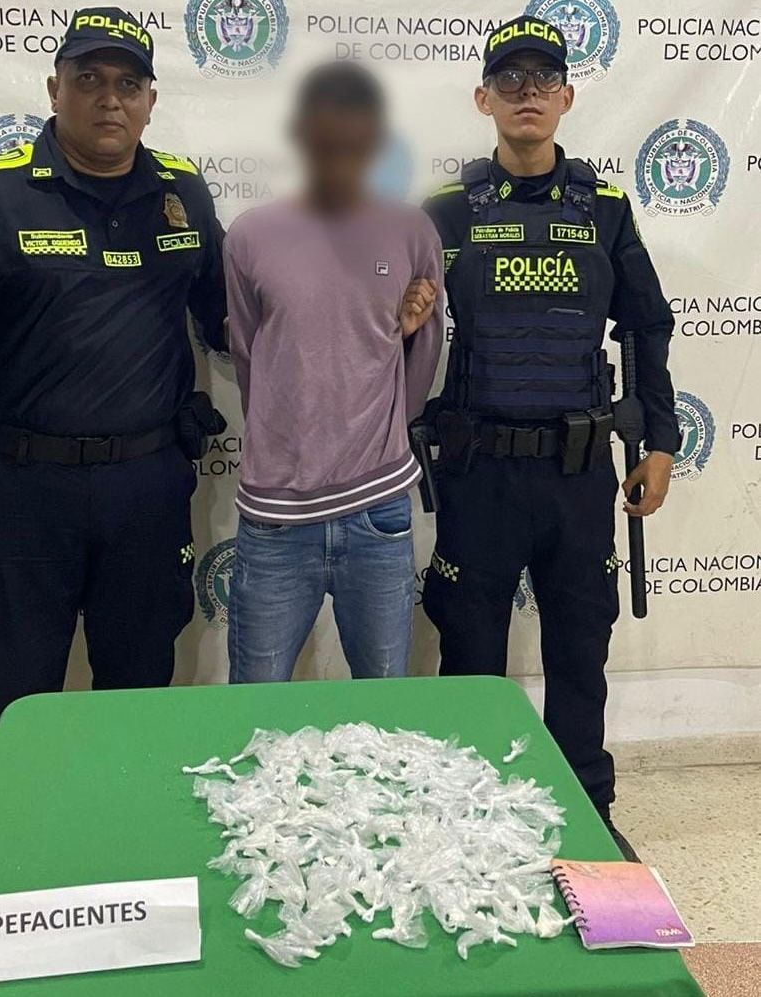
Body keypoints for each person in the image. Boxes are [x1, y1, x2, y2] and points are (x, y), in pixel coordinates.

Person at [0, 7, 227, 753]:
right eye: (89, 79)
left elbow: (235, 320)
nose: (110, 99)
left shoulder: (182, 193)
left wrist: (365, 316)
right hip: (21, 492)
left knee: (140, 687)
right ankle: (12, 829)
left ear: (150, 100)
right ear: (54, 89)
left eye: (128, 84)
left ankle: (130, 824)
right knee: (21, 691)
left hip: (146, 486)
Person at [421, 15, 681, 859]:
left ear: (566, 97)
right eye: (510, 80)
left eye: (542, 80)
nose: (526, 94)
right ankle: (462, 819)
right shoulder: (446, 212)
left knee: (578, 649)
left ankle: (586, 814)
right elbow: (395, 332)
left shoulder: (605, 209)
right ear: (484, 98)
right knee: (469, 652)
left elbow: (645, 326)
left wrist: (660, 442)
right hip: (479, 473)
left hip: (577, 475)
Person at [224, 62, 443, 684]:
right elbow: (249, 355)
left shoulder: (411, 230)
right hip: (274, 516)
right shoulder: (250, 236)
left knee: (384, 706)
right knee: (253, 706)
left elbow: (423, 349)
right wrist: (288, 433)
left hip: (378, 508)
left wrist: (380, 430)